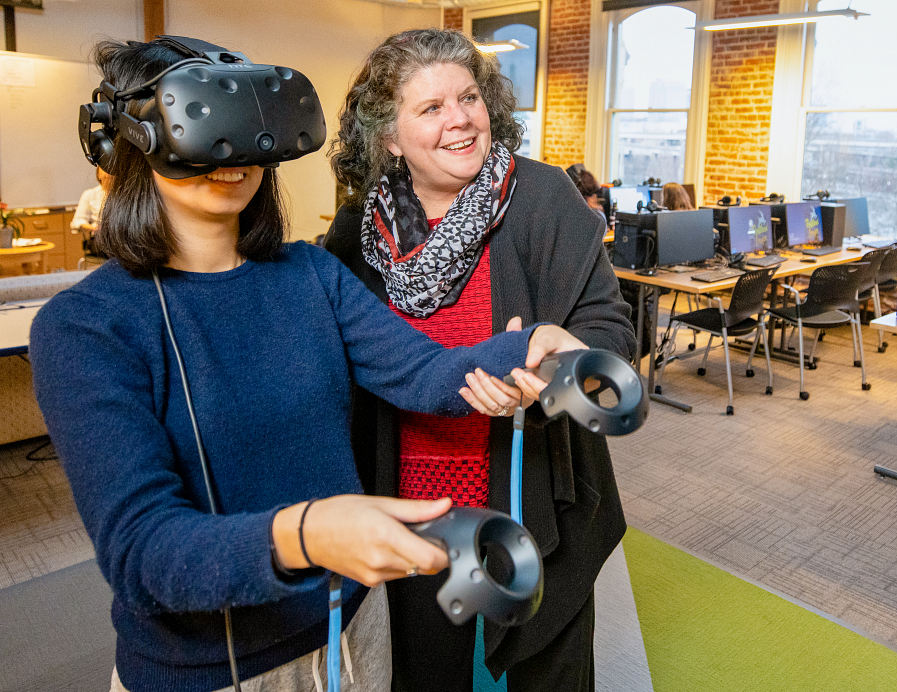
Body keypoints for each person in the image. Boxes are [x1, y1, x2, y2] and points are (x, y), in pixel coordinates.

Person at [30, 37, 585, 692]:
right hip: (214, 672)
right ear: (127, 142)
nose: (228, 155)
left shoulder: (311, 274)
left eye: (245, 131)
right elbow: (142, 552)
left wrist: (532, 343)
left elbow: (424, 373)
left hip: (353, 630)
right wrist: (308, 535)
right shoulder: (85, 327)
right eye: (201, 128)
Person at [324, 29, 635, 692]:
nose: (460, 119)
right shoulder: (357, 231)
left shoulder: (543, 199)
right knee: (423, 673)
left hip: (529, 498)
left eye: (469, 97)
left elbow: (609, 329)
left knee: (545, 669)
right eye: (430, 108)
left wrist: (555, 374)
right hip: (411, 507)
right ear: (387, 135)